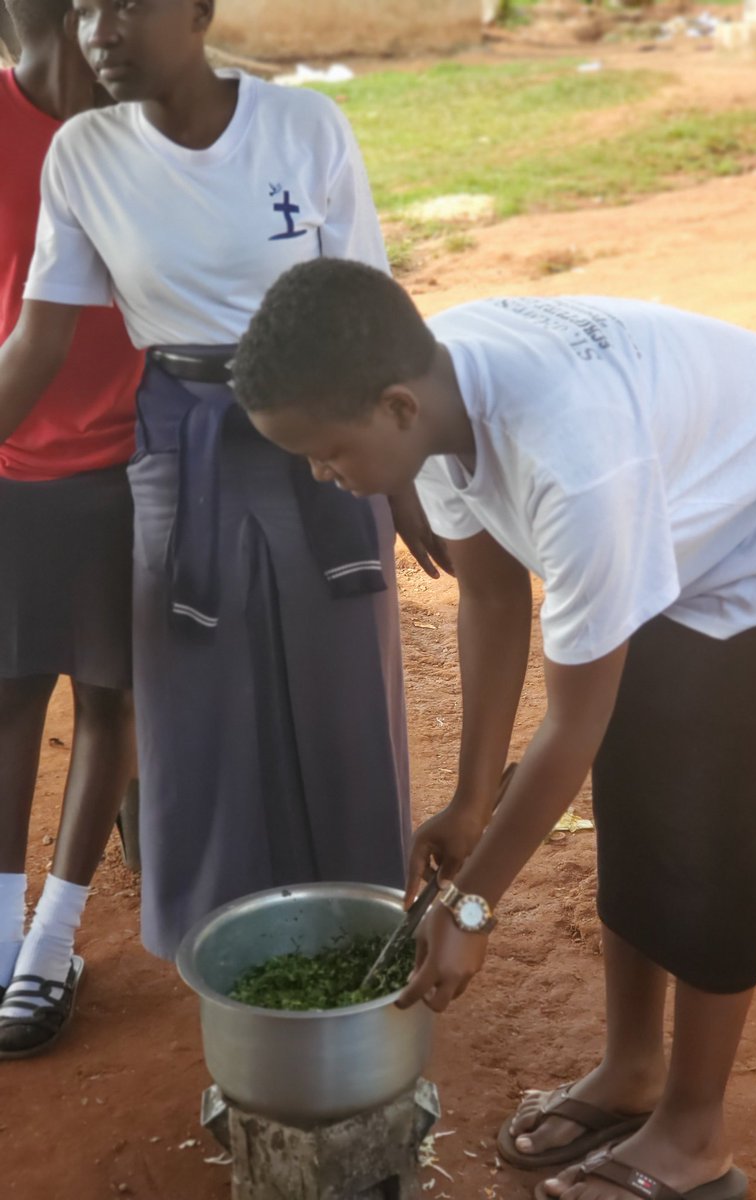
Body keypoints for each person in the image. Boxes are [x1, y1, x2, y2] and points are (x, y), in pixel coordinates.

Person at [230, 258, 756, 1200]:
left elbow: (571, 724)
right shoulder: (439, 397)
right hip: (680, 509)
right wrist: (468, 802)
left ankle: (696, 1138)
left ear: (393, 408)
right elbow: (493, 600)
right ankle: (633, 1069)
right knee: (637, 776)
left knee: (708, 814)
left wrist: (473, 908)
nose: (320, 474)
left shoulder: (573, 460)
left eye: (325, 452)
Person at [0, 0, 447, 962]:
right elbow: (38, 343)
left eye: (127, 7)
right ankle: (232, 950)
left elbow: (373, 306)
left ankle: (361, 935)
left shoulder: (302, 126)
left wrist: (410, 484)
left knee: (339, 689)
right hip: (182, 441)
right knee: (194, 697)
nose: (99, 34)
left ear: (198, 11)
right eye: (85, 10)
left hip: (324, 432)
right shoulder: (84, 155)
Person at [0, 0, 144, 1058]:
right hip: (26, 460)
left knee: (92, 697)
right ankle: (19, 940)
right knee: (45, 701)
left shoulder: (143, 130)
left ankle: (42, 944)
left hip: (123, 466)